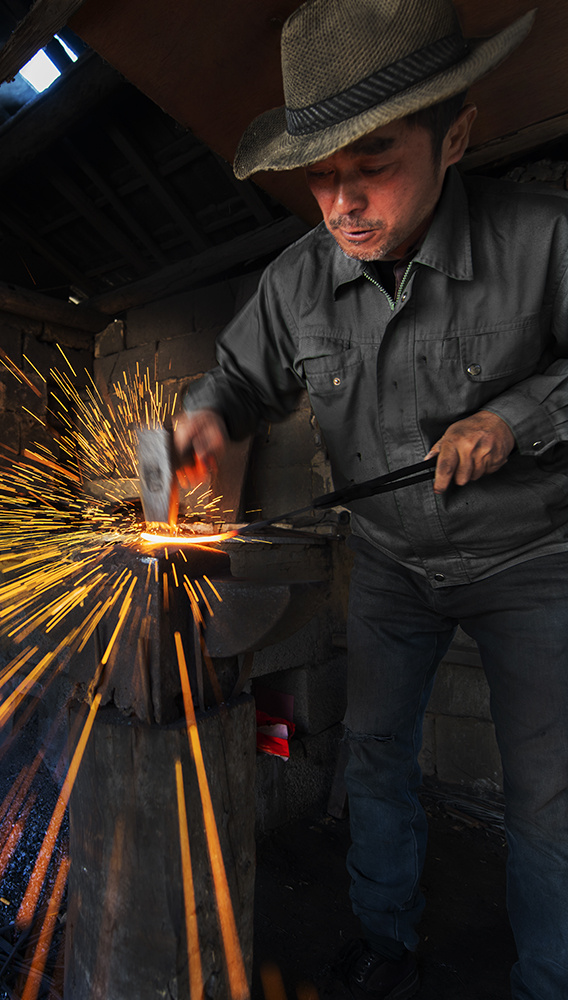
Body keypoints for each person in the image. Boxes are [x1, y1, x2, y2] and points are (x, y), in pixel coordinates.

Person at [173, 1, 568, 998]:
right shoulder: (299, 282)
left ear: (455, 138)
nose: (341, 205)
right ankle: (383, 937)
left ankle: (546, 976)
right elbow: (231, 383)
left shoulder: (543, 240)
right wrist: (198, 430)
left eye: (372, 164)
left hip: (531, 562)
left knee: (549, 796)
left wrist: (517, 416)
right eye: (319, 176)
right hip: (390, 560)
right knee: (374, 755)